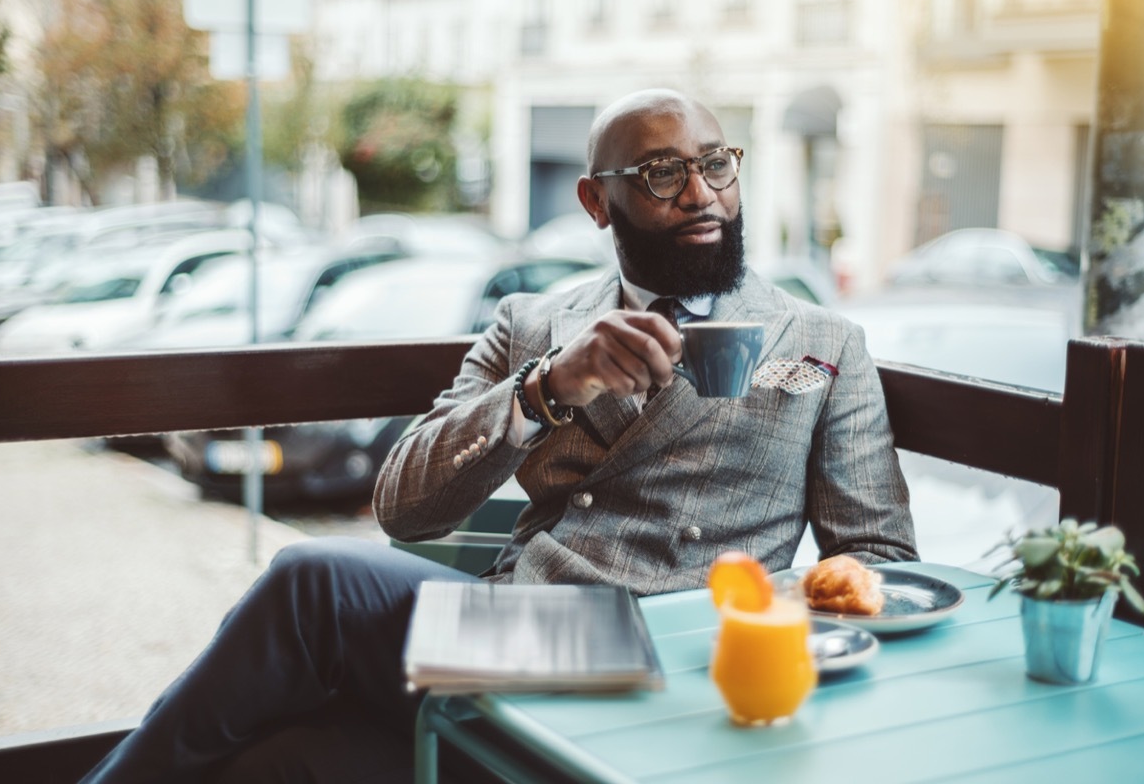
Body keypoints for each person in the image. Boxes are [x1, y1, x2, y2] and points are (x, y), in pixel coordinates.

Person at [81, 88, 917, 784]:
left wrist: (776, 614)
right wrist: (546, 388)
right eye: (663, 174)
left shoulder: (822, 341)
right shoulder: (533, 324)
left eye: (716, 165)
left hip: (682, 652)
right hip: (523, 631)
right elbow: (403, 506)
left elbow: (880, 557)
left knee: (303, 673)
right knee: (298, 673)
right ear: (596, 202)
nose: (701, 194)